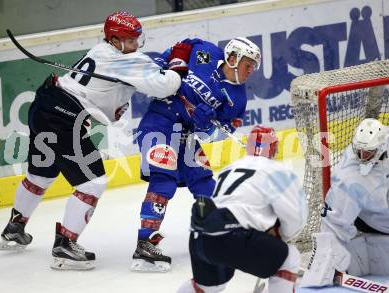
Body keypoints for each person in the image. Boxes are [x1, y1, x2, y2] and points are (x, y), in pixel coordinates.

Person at [0, 11, 187, 270]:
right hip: (65, 118)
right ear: (115, 39)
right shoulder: (125, 60)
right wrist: (177, 68)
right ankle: (65, 245)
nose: (136, 46)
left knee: (40, 175)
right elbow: (165, 86)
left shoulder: (100, 51)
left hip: (45, 104)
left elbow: (103, 96)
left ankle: (15, 227)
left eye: (137, 40)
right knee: (93, 182)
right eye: (131, 40)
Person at [130, 37, 262, 272]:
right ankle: (145, 243)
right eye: (248, 63)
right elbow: (183, 45)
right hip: (160, 121)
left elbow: (218, 134)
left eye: (254, 66)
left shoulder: (237, 99)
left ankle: (216, 236)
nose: (251, 70)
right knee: (164, 179)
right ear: (233, 58)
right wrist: (167, 64)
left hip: (187, 135)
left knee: (205, 184)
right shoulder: (207, 53)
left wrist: (204, 125)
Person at [177, 125, 307, 293]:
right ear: (274, 148)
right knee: (289, 257)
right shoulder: (277, 170)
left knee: (208, 286)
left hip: (200, 237)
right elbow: (294, 217)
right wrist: (281, 236)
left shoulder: (228, 169)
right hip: (235, 236)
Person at [300, 118, 389, 287]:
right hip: (378, 222)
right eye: (359, 151)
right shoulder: (349, 178)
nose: (362, 156)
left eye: (368, 152)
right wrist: (326, 264)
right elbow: (334, 223)